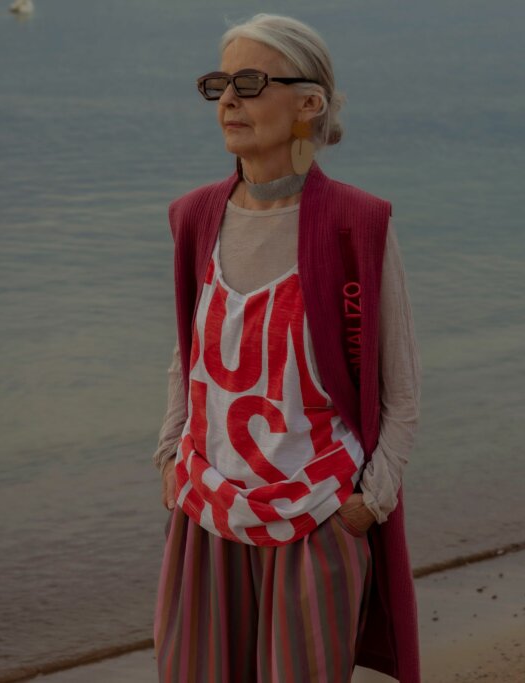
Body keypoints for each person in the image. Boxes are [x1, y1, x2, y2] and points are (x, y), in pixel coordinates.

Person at [150, 13, 421, 683]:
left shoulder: (357, 224)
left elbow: (400, 389)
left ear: (309, 104)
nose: (229, 100)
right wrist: (169, 458)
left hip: (316, 517)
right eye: (219, 84)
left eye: (249, 83)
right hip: (206, 512)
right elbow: (190, 354)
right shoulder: (194, 216)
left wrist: (369, 502)